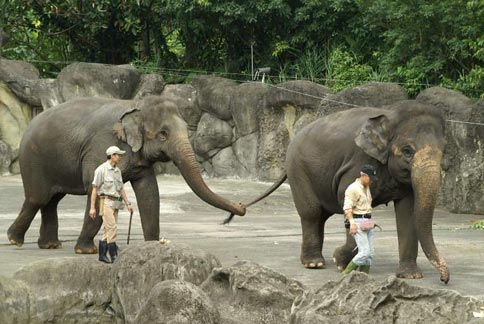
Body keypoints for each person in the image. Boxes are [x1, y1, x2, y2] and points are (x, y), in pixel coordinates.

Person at [89, 146, 134, 263]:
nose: (120, 157)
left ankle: (102, 255)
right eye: (118, 155)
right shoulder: (101, 170)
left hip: (116, 202)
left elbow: (121, 189)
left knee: (107, 229)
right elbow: (94, 189)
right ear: (112, 155)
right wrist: (92, 208)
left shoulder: (117, 171)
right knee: (112, 227)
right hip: (105, 202)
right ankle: (113, 255)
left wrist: (128, 203)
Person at [342, 165, 378, 274]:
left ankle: (363, 278)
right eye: (370, 178)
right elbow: (347, 208)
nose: (372, 181)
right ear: (363, 175)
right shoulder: (353, 188)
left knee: (370, 253)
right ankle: (345, 275)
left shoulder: (367, 187)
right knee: (364, 252)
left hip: (367, 221)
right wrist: (352, 223)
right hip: (357, 221)